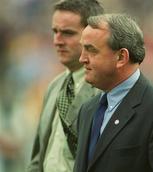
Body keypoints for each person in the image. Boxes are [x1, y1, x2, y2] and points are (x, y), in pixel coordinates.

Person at [74, 13, 153, 172]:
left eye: (91, 50)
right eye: (82, 49)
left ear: (121, 57)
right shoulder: (87, 110)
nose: (82, 58)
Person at [27, 0, 104, 172]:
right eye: (55, 31)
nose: (57, 41)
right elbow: (39, 157)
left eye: (67, 33)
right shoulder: (54, 86)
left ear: (92, 35)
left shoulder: (106, 89)